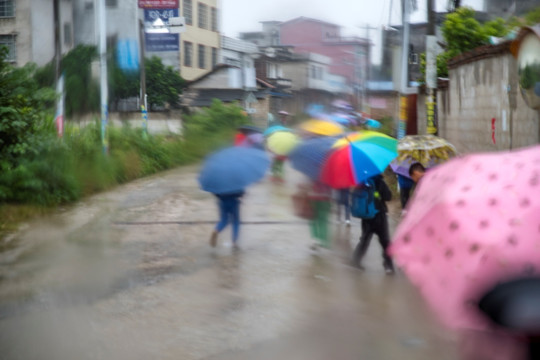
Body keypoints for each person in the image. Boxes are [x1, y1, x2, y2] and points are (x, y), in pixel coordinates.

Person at [352, 174, 395, 274]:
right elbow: (388, 197)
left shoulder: (362, 181)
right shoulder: (379, 181)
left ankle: (355, 261)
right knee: (385, 241)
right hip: (379, 215)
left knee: (364, 239)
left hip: (366, 217)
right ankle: (388, 265)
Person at [307, 181, 332, 249]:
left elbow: (307, 187)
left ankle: (315, 240)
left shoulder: (312, 174)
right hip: (324, 200)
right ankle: (322, 240)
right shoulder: (329, 175)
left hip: (314, 200)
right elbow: (331, 190)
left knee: (314, 221)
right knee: (322, 221)